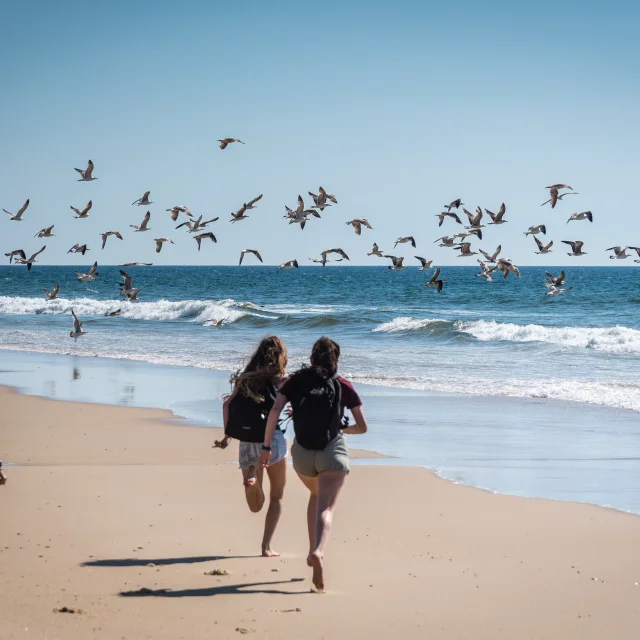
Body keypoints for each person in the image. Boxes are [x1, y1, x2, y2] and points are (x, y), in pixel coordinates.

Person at [260, 336, 368, 590]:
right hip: (332, 453)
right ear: (337, 360)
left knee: (315, 494)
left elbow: (274, 412)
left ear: (311, 358)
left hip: (301, 455)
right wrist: (343, 430)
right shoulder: (343, 385)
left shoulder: (294, 381)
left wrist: (266, 448)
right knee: (326, 508)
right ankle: (318, 551)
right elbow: (362, 427)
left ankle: (311, 550)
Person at [214, 336, 288, 557]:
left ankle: (253, 479)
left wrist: (227, 437)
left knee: (255, 505)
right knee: (277, 496)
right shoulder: (281, 378)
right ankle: (266, 547)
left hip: (246, 440)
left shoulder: (244, 379)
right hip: (271, 440)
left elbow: (227, 405)